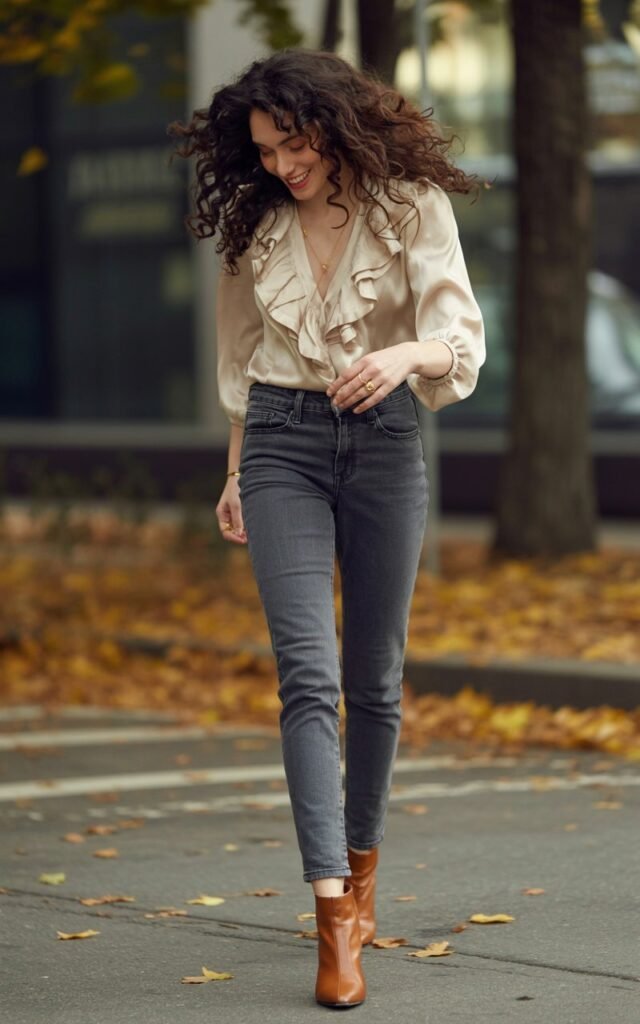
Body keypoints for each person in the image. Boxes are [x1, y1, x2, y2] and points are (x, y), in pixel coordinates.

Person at [169, 48, 485, 1009]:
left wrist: (401, 357)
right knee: (306, 675)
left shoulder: (411, 209)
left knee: (373, 679)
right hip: (280, 445)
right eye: (262, 151)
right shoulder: (257, 227)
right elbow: (242, 357)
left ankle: (365, 861)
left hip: (386, 442)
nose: (278, 166)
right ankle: (333, 915)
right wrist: (233, 472)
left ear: (330, 124)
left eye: (291, 144)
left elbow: (459, 338)